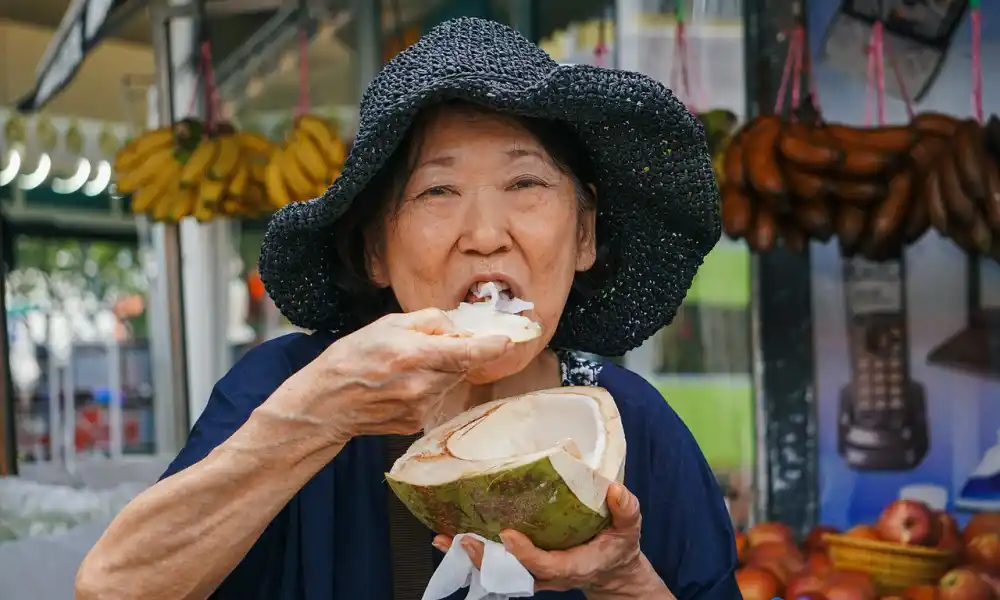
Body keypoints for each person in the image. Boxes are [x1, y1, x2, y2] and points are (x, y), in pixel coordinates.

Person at [75, 17, 738, 600]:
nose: (484, 232)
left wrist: (621, 581)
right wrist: (317, 417)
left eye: (525, 182)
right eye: (437, 190)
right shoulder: (285, 388)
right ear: (376, 253)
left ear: (585, 235)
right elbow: (111, 590)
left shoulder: (636, 431)